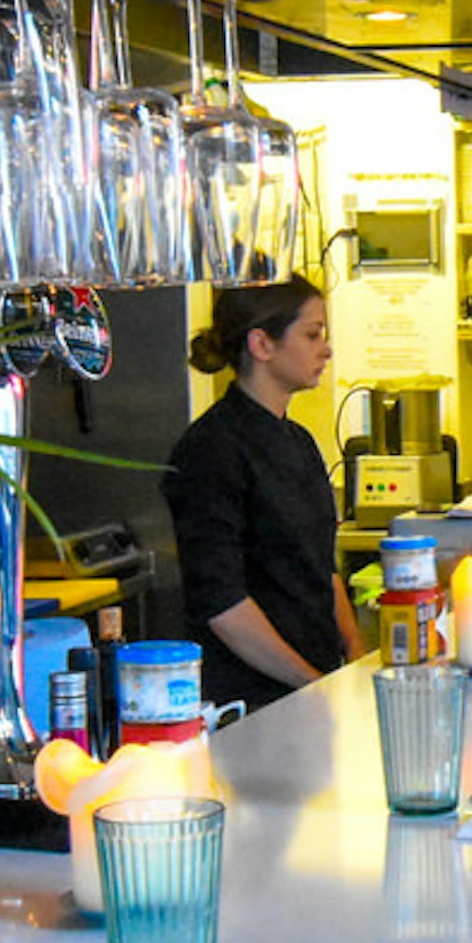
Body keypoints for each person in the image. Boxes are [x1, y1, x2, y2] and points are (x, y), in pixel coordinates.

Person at [164, 277, 360, 714]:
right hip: (249, 703)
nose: (325, 349)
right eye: (312, 334)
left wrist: (356, 666)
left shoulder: (301, 443)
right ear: (262, 344)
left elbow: (322, 570)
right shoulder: (209, 451)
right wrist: (315, 684)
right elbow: (223, 606)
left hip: (314, 690)